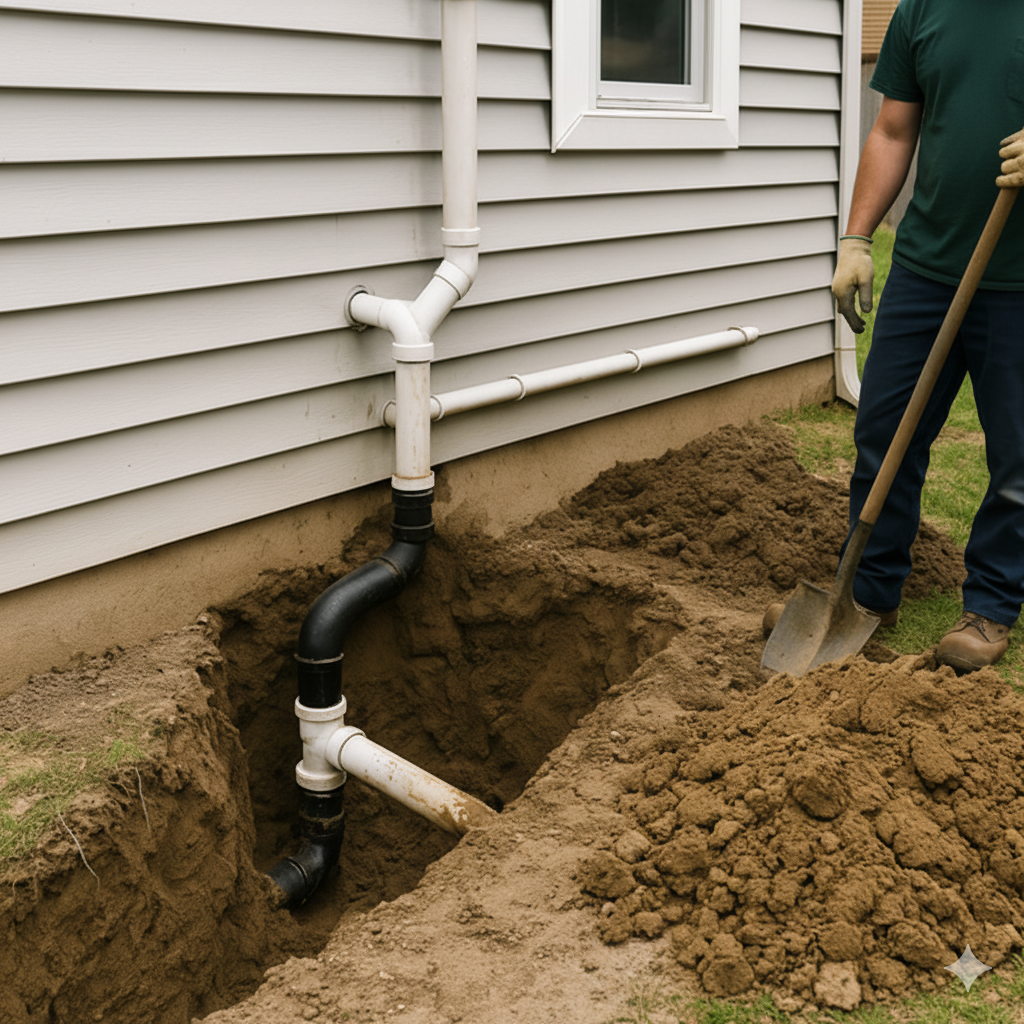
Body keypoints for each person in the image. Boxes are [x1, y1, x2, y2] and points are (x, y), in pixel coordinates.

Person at [829, 0, 1024, 671]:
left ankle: (991, 607)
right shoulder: (923, 8)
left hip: (1020, 283)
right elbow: (892, 128)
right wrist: (857, 236)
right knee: (884, 435)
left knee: (1017, 459)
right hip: (926, 268)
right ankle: (867, 593)